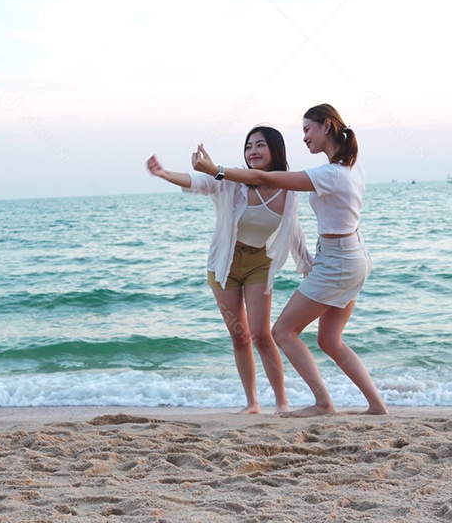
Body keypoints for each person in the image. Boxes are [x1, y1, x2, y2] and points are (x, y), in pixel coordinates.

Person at [191, 104, 389, 417]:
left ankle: (323, 404)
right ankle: (377, 406)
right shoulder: (353, 167)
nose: (305, 138)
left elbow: (260, 176)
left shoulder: (329, 174)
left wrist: (215, 169)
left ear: (326, 127)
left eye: (308, 130)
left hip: (337, 261)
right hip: (355, 256)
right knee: (330, 340)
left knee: (283, 331)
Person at [147, 126, 312, 414]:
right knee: (240, 335)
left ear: (276, 150)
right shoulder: (231, 182)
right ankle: (252, 403)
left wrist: (310, 268)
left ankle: (282, 402)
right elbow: (200, 181)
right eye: (249, 146)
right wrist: (164, 174)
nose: (253, 151)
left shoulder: (288, 192)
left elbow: (294, 232)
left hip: (259, 263)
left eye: (260, 145)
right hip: (223, 264)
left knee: (262, 334)